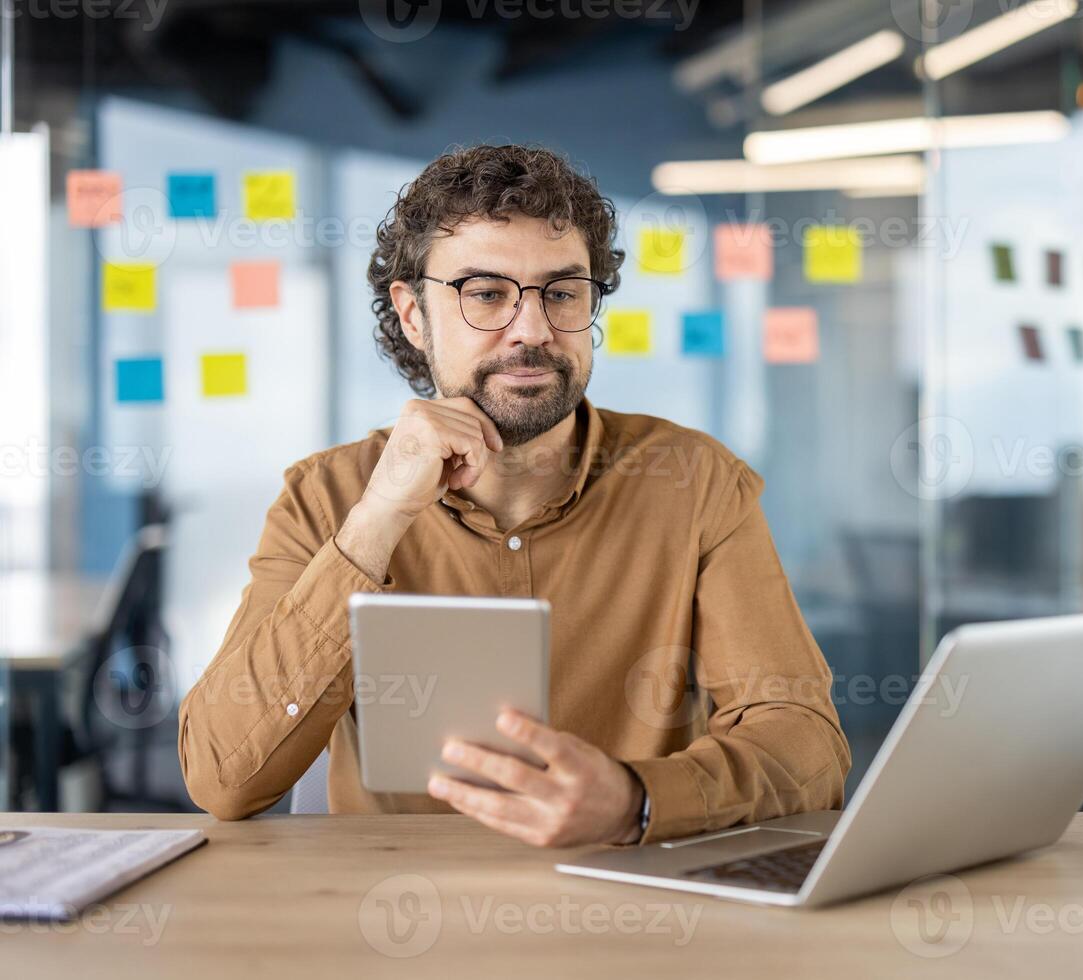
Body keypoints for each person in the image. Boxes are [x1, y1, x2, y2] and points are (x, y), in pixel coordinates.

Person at [177, 144, 850, 846]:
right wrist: (377, 521)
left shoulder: (695, 482)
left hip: (630, 913)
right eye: (486, 294)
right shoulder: (326, 496)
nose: (532, 330)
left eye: (562, 293)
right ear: (412, 315)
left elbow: (807, 745)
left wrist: (637, 802)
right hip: (392, 928)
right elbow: (222, 779)